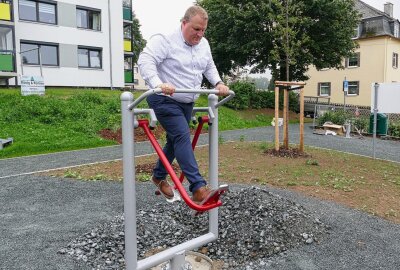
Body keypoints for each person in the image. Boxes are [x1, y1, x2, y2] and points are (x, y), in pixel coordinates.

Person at [138, 5, 229, 204]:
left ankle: (158, 176)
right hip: (164, 98)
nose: (199, 34)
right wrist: (158, 84)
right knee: (181, 136)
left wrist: (219, 83)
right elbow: (145, 60)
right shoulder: (165, 40)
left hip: (186, 101)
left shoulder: (203, 44)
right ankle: (198, 188)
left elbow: (209, 67)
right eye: (196, 29)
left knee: (174, 141)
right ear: (184, 22)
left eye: (203, 30)